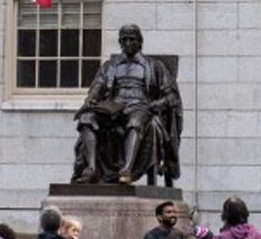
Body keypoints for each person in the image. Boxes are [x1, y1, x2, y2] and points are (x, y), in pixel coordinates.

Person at [71, 25, 183, 186]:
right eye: (124, 40)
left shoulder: (154, 66)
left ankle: (126, 170)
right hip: (113, 106)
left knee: (135, 122)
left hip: (140, 105)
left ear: (140, 42)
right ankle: (91, 169)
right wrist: (91, 98)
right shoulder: (110, 66)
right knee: (87, 117)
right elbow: (97, 86)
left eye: (132, 39)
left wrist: (155, 105)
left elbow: (171, 95)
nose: (128, 43)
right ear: (120, 42)